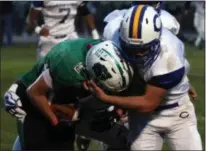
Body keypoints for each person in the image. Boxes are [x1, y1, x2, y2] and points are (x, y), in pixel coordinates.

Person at [85, 5, 202, 150]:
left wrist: (107, 98)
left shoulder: (169, 54)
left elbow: (148, 103)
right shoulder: (113, 34)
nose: (137, 54)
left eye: (142, 48)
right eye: (132, 48)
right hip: (141, 118)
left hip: (176, 112)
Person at [4, 38, 132, 150]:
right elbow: (34, 92)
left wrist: (116, 110)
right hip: (40, 101)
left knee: (125, 140)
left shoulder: (109, 54)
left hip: (72, 102)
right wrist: (56, 121)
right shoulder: (68, 64)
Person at [26, 1, 100, 60]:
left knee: (78, 69)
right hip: (50, 38)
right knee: (43, 71)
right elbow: (31, 19)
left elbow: (85, 11)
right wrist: (38, 30)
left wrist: (94, 32)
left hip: (70, 37)